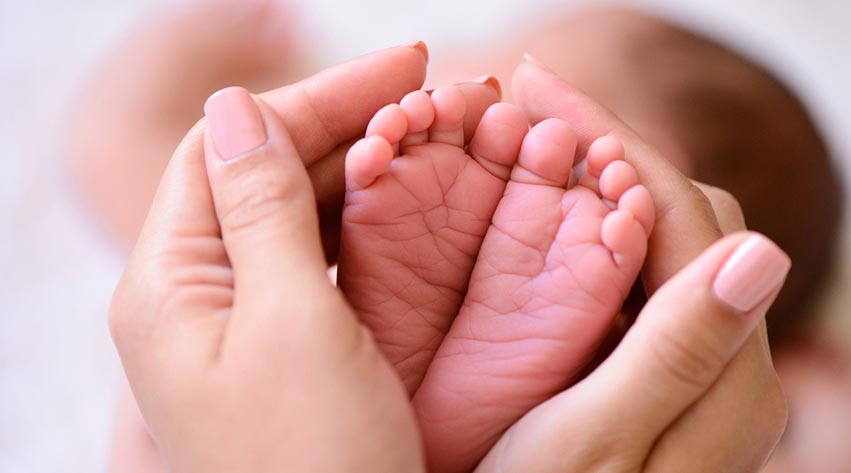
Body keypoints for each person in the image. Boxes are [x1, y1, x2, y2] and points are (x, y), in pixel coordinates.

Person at [109, 44, 789, 472]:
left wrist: (169, 61)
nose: (472, 60)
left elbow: (124, 160)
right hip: (574, 441)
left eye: (502, 41)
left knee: (161, 406)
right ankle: (464, 424)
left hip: (247, 408)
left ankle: (398, 390)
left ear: (648, 144)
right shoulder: (751, 407)